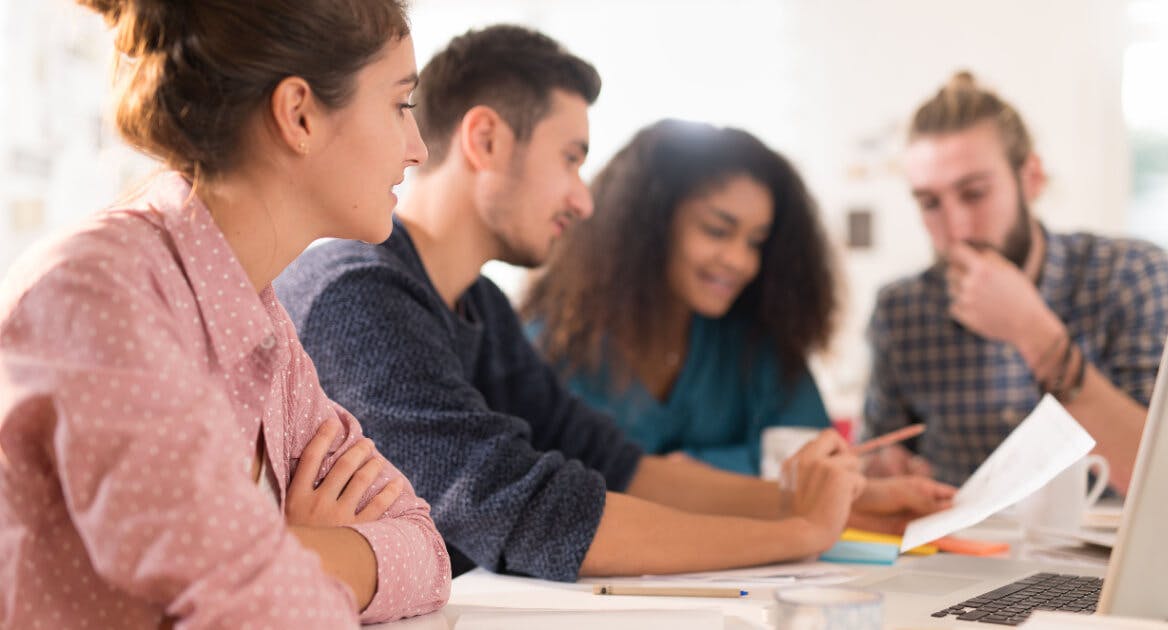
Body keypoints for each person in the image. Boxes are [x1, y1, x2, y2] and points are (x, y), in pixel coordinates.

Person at [276, 24, 954, 583]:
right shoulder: (358, 292)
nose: (584, 198)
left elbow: (613, 462)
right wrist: (798, 531)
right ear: (485, 140)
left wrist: (823, 502)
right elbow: (529, 513)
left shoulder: (478, 304)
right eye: (571, 159)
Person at [0, 1, 450, 627]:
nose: (418, 148)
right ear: (299, 114)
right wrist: (281, 553)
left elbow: (425, 550)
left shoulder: (258, 319)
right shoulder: (97, 295)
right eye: (400, 105)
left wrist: (285, 549)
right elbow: (256, 606)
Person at [863, 71, 1168, 494]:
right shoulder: (900, 311)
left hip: (1107, 556)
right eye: (930, 204)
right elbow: (876, 458)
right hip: (960, 553)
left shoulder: (1131, 275)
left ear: (1031, 178)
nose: (956, 229)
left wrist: (1034, 333)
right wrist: (882, 474)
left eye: (975, 193)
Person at [521, 119, 837, 476]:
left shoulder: (757, 344)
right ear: (649, 228)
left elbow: (817, 462)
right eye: (717, 231)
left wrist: (691, 470)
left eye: (756, 243)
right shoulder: (556, 346)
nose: (740, 261)